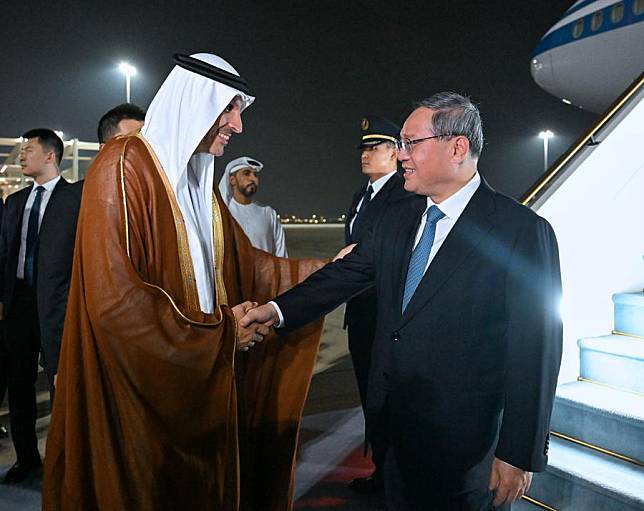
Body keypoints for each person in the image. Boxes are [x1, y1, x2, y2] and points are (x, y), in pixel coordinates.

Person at [242, 92, 563, 510]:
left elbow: (535, 348)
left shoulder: (520, 231)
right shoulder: (398, 217)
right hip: (392, 429)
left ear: (457, 147)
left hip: (464, 448)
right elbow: (344, 275)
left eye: (411, 143)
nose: (402, 154)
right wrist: (275, 310)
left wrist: (518, 452)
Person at [43, 53, 328, 511]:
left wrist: (333, 269)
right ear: (194, 103)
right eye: (228, 109)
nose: (237, 125)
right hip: (142, 399)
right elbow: (116, 300)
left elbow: (249, 267)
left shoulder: (198, 184)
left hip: (200, 387)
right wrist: (218, 335)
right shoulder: (123, 166)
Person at [0, 129, 73, 483]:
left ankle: (65, 459)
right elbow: (4, 255)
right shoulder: (14, 202)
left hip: (58, 306)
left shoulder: (74, 197)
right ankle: (27, 458)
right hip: (18, 306)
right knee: (19, 384)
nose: (22, 156)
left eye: (28, 149)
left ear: (50, 155)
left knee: (63, 382)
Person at [345, 115, 410, 493]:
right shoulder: (361, 195)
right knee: (369, 396)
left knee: (388, 398)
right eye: (364, 149)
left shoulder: (403, 195)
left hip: (386, 315)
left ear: (395, 153)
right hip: (360, 315)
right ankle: (381, 469)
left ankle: (393, 475)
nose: (366, 155)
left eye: (375, 148)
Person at [218, 156, 288, 256]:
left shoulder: (269, 213)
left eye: (255, 175)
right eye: (246, 174)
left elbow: (281, 255)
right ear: (232, 180)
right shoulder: (222, 214)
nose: (253, 179)